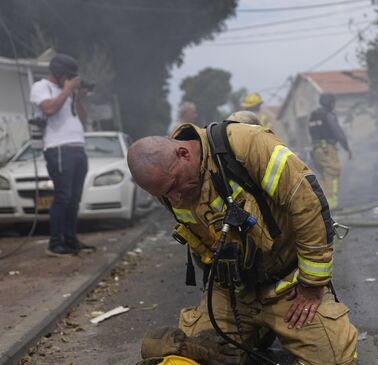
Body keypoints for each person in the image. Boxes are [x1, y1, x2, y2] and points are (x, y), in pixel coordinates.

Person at [127, 121, 358, 364]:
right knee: (183, 354)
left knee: (335, 360)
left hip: (289, 287)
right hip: (232, 292)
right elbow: (202, 244)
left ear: (183, 154)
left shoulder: (246, 144)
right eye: (164, 194)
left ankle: (265, 332)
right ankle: (256, 335)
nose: (175, 198)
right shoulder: (172, 186)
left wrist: (312, 285)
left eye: (174, 185)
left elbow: (307, 203)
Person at [30, 53, 95, 256]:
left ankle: (71, 239)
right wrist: (67, 90)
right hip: (58, 148)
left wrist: (79, 97)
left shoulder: (69, 93)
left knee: (74, 198)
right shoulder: (41, 87)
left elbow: (83, 119)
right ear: (58, 73)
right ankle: (55, 242)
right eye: (68, 75)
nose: (71, 79)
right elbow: (49, 109)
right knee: (63, 196)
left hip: (78, 147)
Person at [308, 93, 351, 210]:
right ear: (329, 103)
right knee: (333, 173)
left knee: (325, 176)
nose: (334, 105)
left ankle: (323, 204)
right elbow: (338, 132)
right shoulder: (328, 115)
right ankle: (332, 205)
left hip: (316, 150)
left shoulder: (313, 115)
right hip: (327, 149)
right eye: (333, 102)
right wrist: (347, 148)